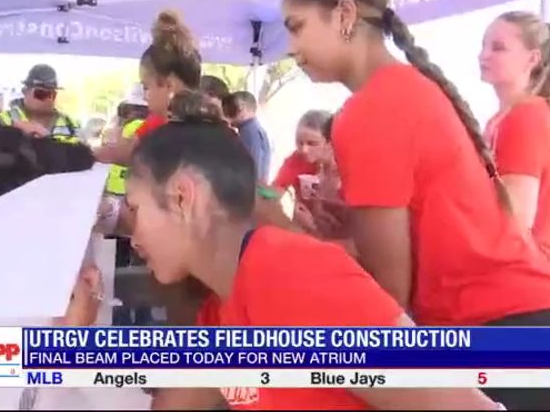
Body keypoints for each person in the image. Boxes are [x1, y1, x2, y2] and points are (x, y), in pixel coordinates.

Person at [282, 0, 550, 410]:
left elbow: (388, 303)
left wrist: (286, 240)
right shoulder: (407, 88)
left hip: (502, 332)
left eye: (297, 26)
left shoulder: (371, 109)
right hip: (541, 330)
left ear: (343, 15)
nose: (291, 46)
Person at [125, 112, 498, 411]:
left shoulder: (289, 272)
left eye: (135, 209)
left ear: (182, 197)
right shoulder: (222, 309)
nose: (132, 232)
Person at [480, 11, 550, 258]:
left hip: (517, 269)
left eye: (498, 48)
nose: (483, 55)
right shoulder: (504, 118)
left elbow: (516, 218)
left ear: (532, 59)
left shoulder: (525, 117)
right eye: (483, 46)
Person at [94, 11, 202, 165]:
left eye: (146, 87)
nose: (145, 97)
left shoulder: (170, 135)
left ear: (168, 85)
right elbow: (124, 151)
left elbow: (127, 154)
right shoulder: (156, 121)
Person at [0, 64, 81, 143]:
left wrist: (46, 138)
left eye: (51, 95)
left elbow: (82, 154)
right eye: (41, 94)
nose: (47, 100)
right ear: (25, 92)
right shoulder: (3, 121)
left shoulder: (71, 125)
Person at [223, 91, 271, 182]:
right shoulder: (251, 129)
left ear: (243, 109)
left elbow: (252, 165)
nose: (227, 116)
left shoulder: (250, 131)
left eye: (231, 110)